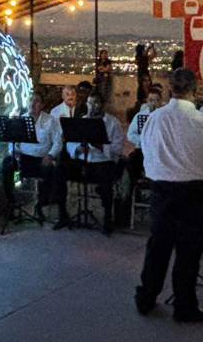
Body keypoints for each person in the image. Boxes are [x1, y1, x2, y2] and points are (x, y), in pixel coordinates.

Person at [135, 68, 203, 323]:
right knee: (188, 252)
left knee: (158, 248)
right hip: (196, 195)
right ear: (194, 91)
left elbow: (146, 149)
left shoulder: (155, 119)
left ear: (170, 89)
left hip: (162, 190)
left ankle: (146, 297)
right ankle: (184, 305)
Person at [66, 91, 125, 235]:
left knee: (106, 179)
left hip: (102, 161)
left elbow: (118, 148)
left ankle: (107, 218)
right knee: (60, 169)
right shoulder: (82, 120)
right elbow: (70, 142)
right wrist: (78, 148)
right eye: (89, 103)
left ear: (102, 105)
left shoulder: (113, 122)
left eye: (96, 103)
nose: (92, 106)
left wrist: (100, 146)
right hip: (83, 160)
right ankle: (62, 214)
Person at [17, 93, 58, 222]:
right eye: (30, 101)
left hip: (41, 158)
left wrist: (50, 155)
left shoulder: (50, 120)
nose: (32, 104)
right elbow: (13, 141)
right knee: (7, 165)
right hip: (24, 157)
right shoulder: (21, 119)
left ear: (42, 105)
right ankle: (11, 203)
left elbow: (58, 142)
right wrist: (14, 152)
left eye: (36, 101)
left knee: (49, 170)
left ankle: (40, 205)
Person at [49, 85, 80, 228]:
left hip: (81, 149)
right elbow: (55, 135)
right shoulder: (56, 112)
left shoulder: (81, 110)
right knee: (59, 171)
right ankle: (62, 213)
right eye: (67, 94)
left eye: (72, 93)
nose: (70, 96)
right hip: (64, 150)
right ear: (62, 96)